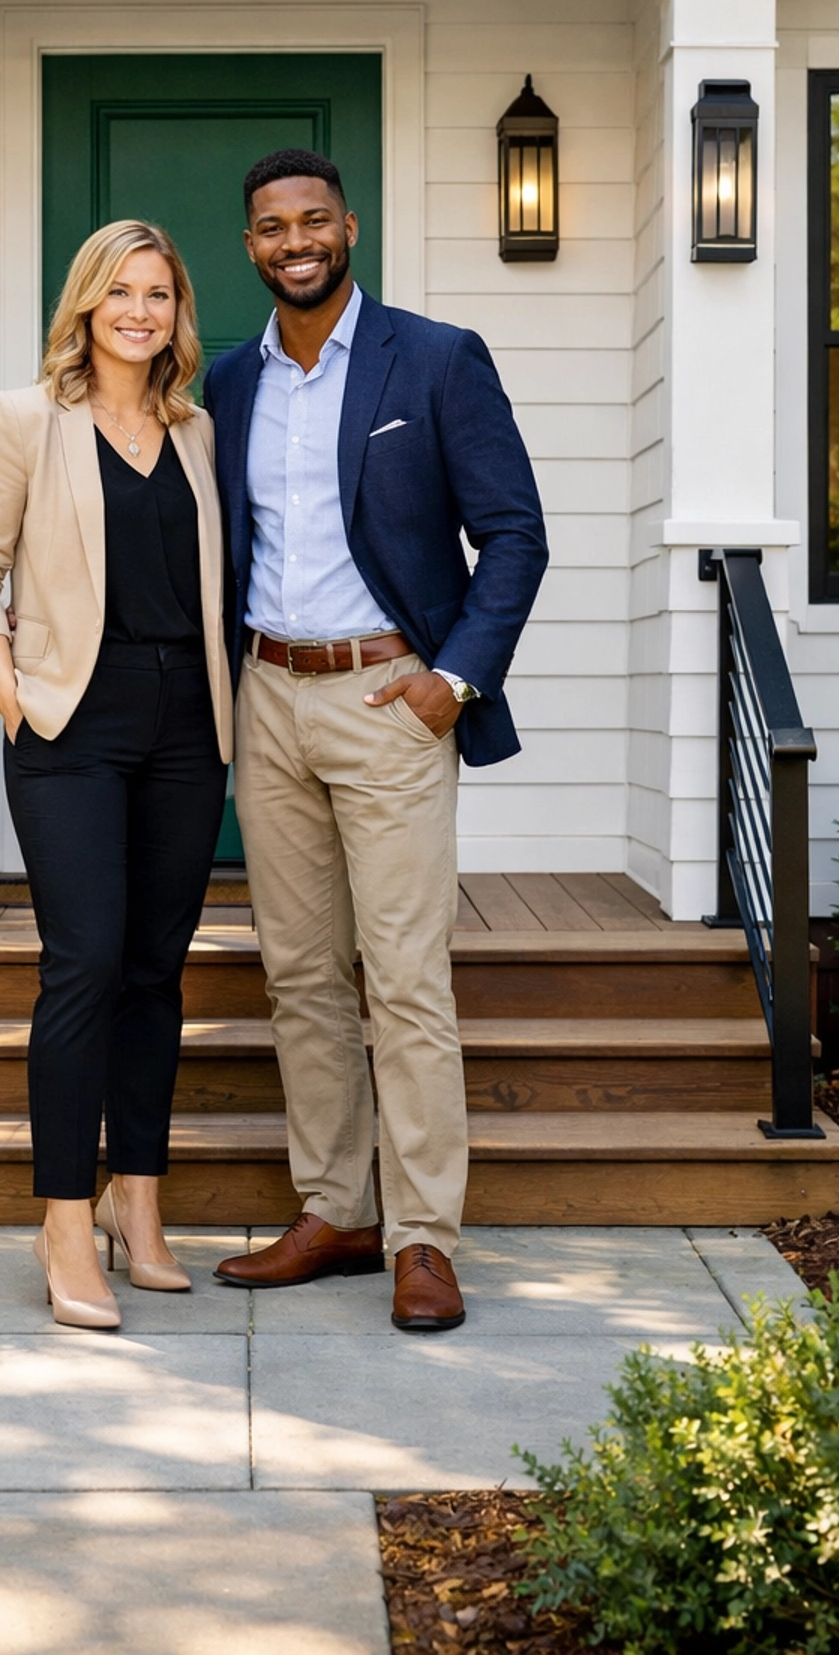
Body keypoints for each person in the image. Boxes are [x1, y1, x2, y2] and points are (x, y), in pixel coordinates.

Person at [205, 149, 547, 1332]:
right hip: (269, 697)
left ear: (348, 228)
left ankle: (424, 1238)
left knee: (403, 979)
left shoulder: (437, 359)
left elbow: (514, 536)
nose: (293, 240)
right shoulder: (227, 386)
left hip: (388, 697)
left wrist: (453, 679)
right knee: (299, 975)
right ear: (248, 246)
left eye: (311, 220)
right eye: (269, 227)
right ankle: (334, 1209)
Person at [0, 219, 233, 1330]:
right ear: (85, 305)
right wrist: (7, 686)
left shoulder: (199, 429)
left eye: (160, 293)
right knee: (85, 964)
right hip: (71, 717)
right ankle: (66, 1221)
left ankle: (140, 1209)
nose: (141, 311)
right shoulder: (27, 420)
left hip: (185, 726)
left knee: (158, 972)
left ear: (178, 314)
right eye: (121, 291)